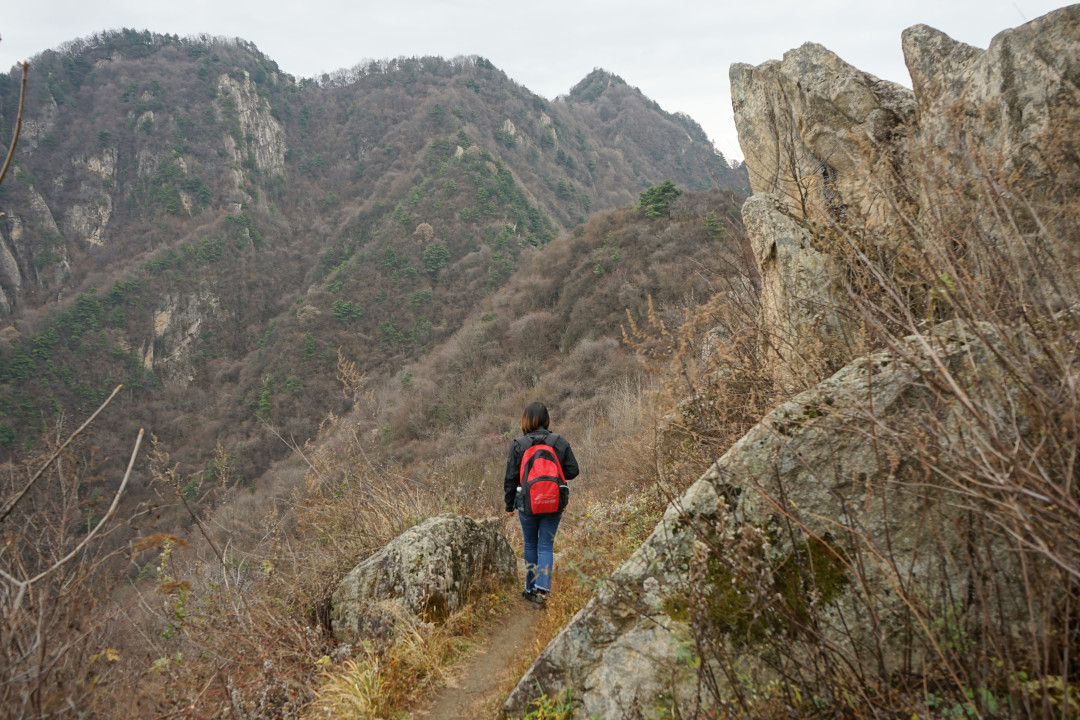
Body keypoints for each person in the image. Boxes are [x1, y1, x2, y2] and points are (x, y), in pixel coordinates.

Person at [504, 401, 579, 605]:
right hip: (554, 500)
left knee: (530, 544)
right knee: (546, 545)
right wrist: (554, 477)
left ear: (526, 420)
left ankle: (529, 588)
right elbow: (573, 471)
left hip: (527, 501)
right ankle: (543, 590)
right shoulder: (558, 441)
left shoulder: (519, 444)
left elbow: (511, 477)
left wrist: (509, 505)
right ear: (546, 419)